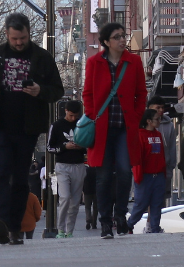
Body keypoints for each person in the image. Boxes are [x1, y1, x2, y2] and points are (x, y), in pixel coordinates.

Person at [0, 13, 64, 246]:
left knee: (20, 178)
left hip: (26, 128)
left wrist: (40, 90)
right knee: (1, 173)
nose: (18, 42)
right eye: (14, 38)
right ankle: (1, 221)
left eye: (22, 38)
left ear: (29, 33)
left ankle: (15, 228)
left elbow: (57, 90)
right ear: (6, 35)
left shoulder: (42, 58)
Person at [83, 22, 146, 239]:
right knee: (102, 177)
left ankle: (121, 215)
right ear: (106, 42)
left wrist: (137, 117)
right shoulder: (94, 63)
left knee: (125, 170)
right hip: (101, 129)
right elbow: (87, 94)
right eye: (117, 37)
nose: (122, 40)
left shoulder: (134, 61)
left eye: (123, 36)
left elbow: (141, 94)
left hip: (124, 129)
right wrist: (92, 116)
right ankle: (105, 222)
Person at [47, 99, 87, 237]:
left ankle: (69, 231)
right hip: (62, 165)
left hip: (79, 165)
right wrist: (64, 147)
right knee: (64, 197)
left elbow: (90, 144)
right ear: (65, 111)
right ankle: (61, 229)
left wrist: (82, 147)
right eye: (71, 115)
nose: (73, 118)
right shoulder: (57, 125)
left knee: (75, 202)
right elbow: (49, 147)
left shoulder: (82, 124)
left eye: (76, 116)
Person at [127, 109, 167, 234]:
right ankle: (128, 225)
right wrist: (138, 176)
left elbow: (162, 155)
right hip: (145, 176)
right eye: (157, 119)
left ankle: (155, 229)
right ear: (148, 121)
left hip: (158, 175)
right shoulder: (140, 135)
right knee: (140, 204)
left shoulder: (159, 135)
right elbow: (138, 157)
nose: (159, 121)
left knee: (157, 204)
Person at [148, 97, 177, 208]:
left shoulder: (169, 124)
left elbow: (172, 147)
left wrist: (170, 166)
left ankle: (157, 224)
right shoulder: (141, 123)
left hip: (164, 169)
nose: (161, 110)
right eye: (157, 107)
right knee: (145, 201)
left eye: (162, 107)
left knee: (161, 200)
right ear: (150, 108)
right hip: (147, 170)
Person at [83, 166, 98, 230]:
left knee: (87, 207)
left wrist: (83, 189)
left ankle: (88, 219)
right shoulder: (97, 170)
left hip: (87, 191)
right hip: (96, 191)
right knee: (96, 207)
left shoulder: (85, 171)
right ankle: (94, 223)